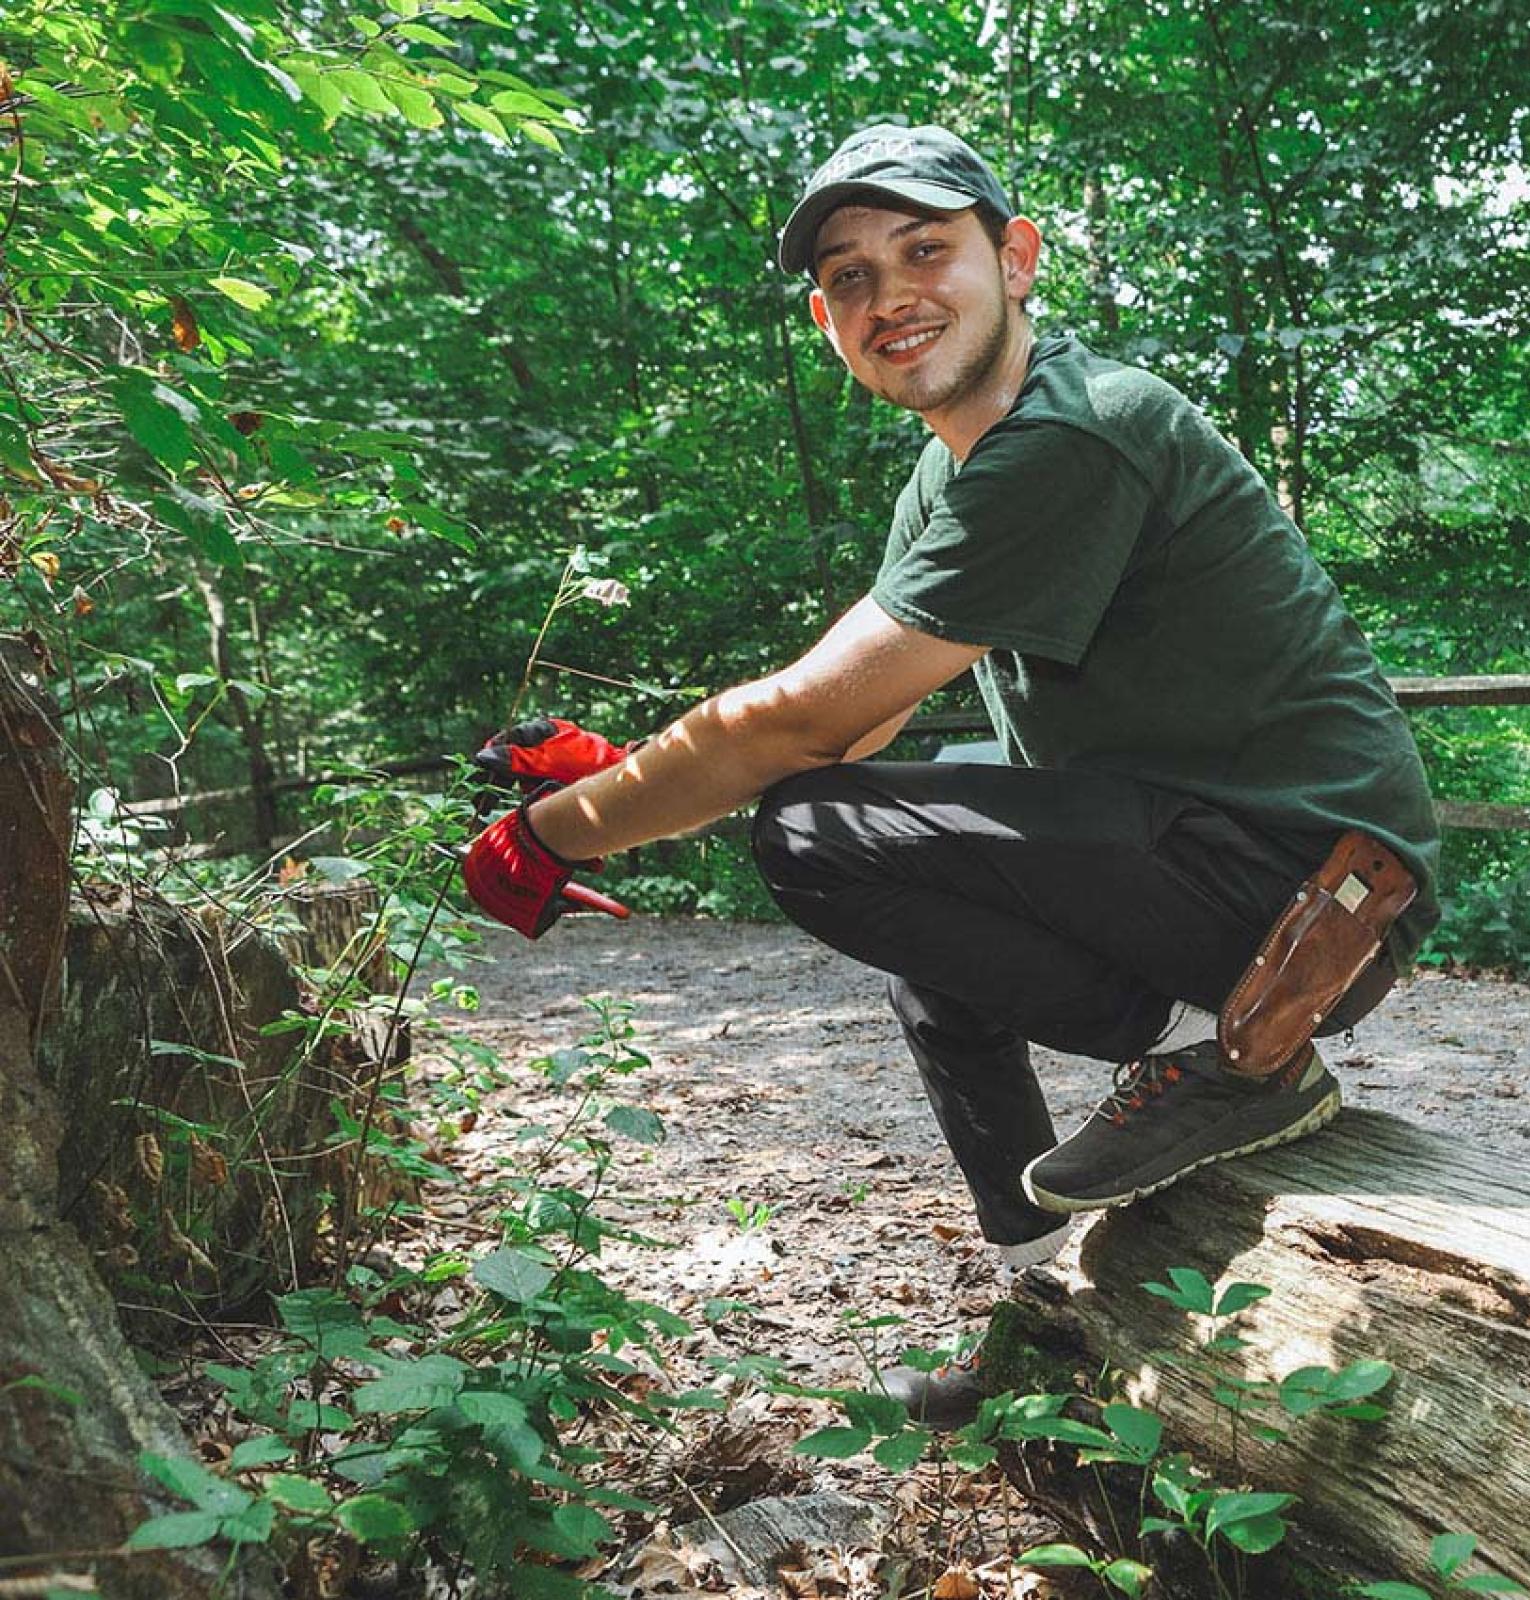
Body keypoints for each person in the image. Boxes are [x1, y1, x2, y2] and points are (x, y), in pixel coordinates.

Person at [463, 124, 1440, 1425]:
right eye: (852, 278)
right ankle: (1047, 1315)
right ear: (826, 320)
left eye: (927, 250)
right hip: (1197, 858)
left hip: (1311, 899)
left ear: (1016, 258)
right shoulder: (948, 475)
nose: (891, 295)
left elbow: (803, 732)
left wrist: (558, 831)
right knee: (938, 961)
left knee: (813, 836)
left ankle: (1227, 1048)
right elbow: (848, 729)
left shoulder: (1082, 434)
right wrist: (628, 777)